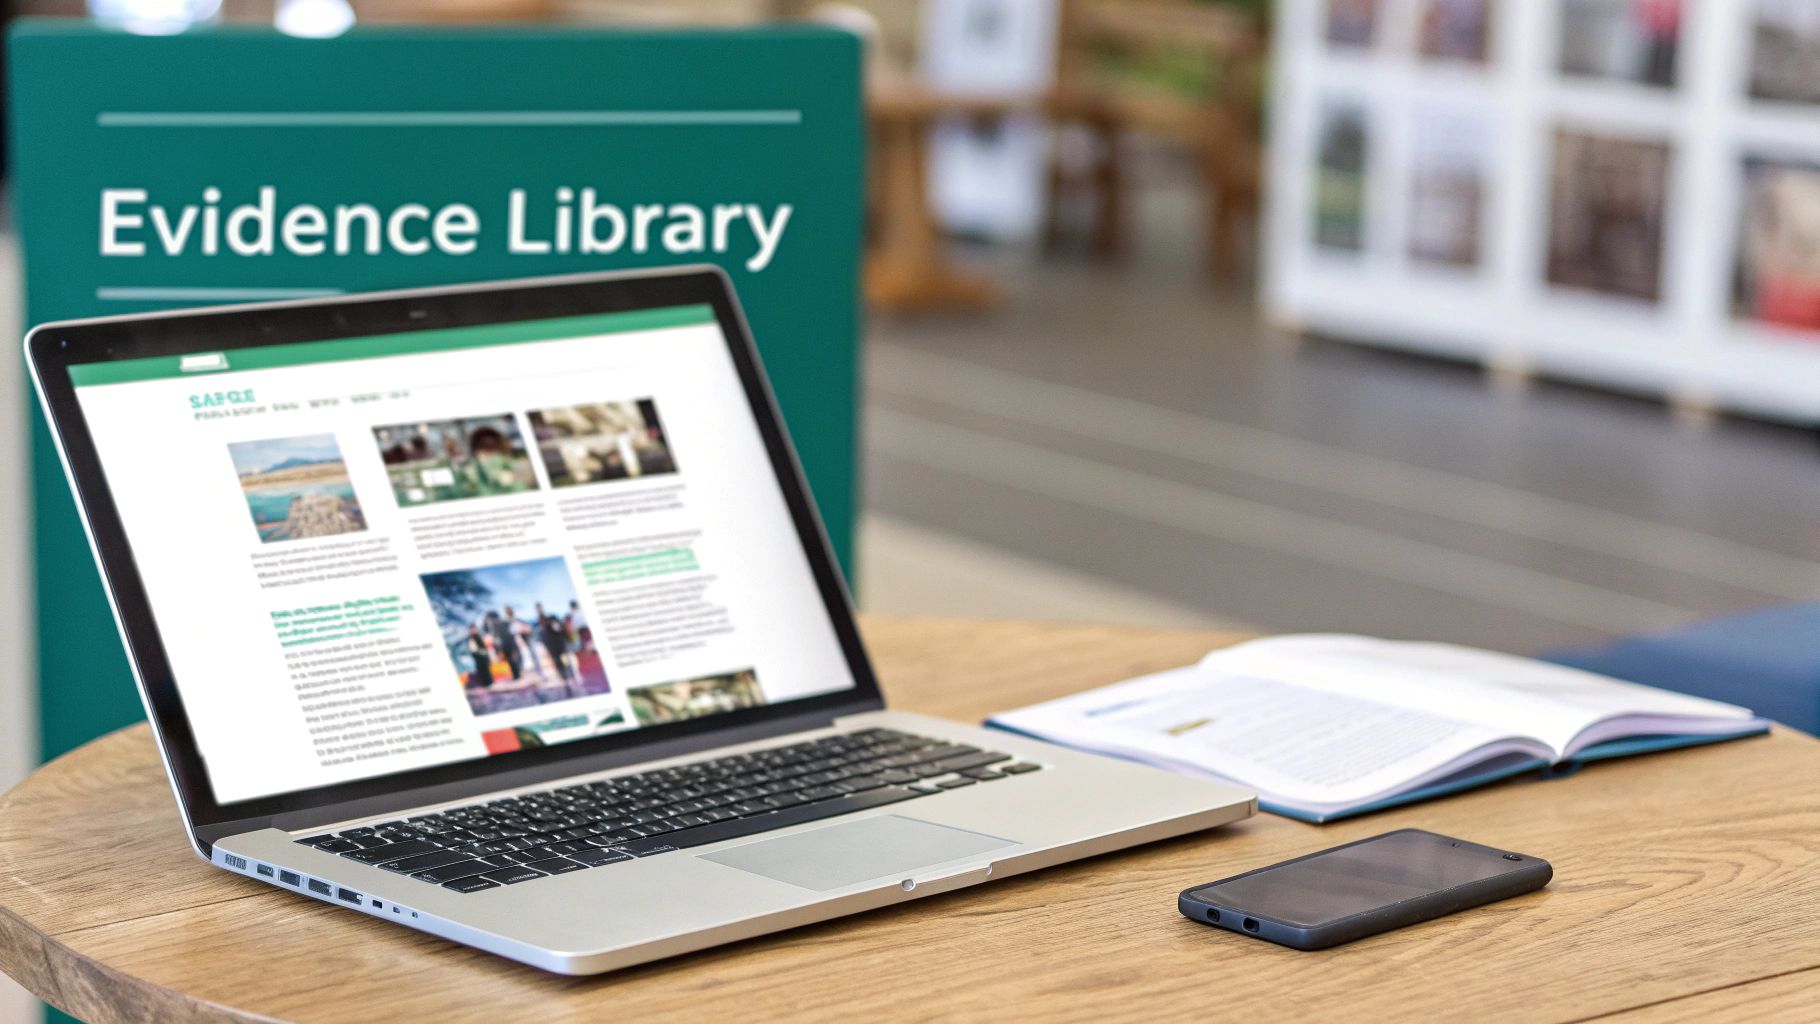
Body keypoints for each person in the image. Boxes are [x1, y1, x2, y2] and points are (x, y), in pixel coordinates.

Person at [535, 602, 575, 685]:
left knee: (565, 661)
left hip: (559, 645)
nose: (538, 610)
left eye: (539, 608)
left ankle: (570, 676)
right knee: (557, 662)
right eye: (537, 609)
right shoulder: (539, 622)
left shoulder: (551, 618)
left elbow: (559, 629)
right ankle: (564, 677)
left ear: (542, 608)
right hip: (551, 646)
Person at [491, 607, 523, 680]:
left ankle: (517, 675)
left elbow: (511, 633)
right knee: (511, 661)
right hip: (507, 645)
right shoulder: (500, 624)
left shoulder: (503, 623)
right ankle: (516, 675)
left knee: (513, 661)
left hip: (509, 645)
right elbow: (498, 638)